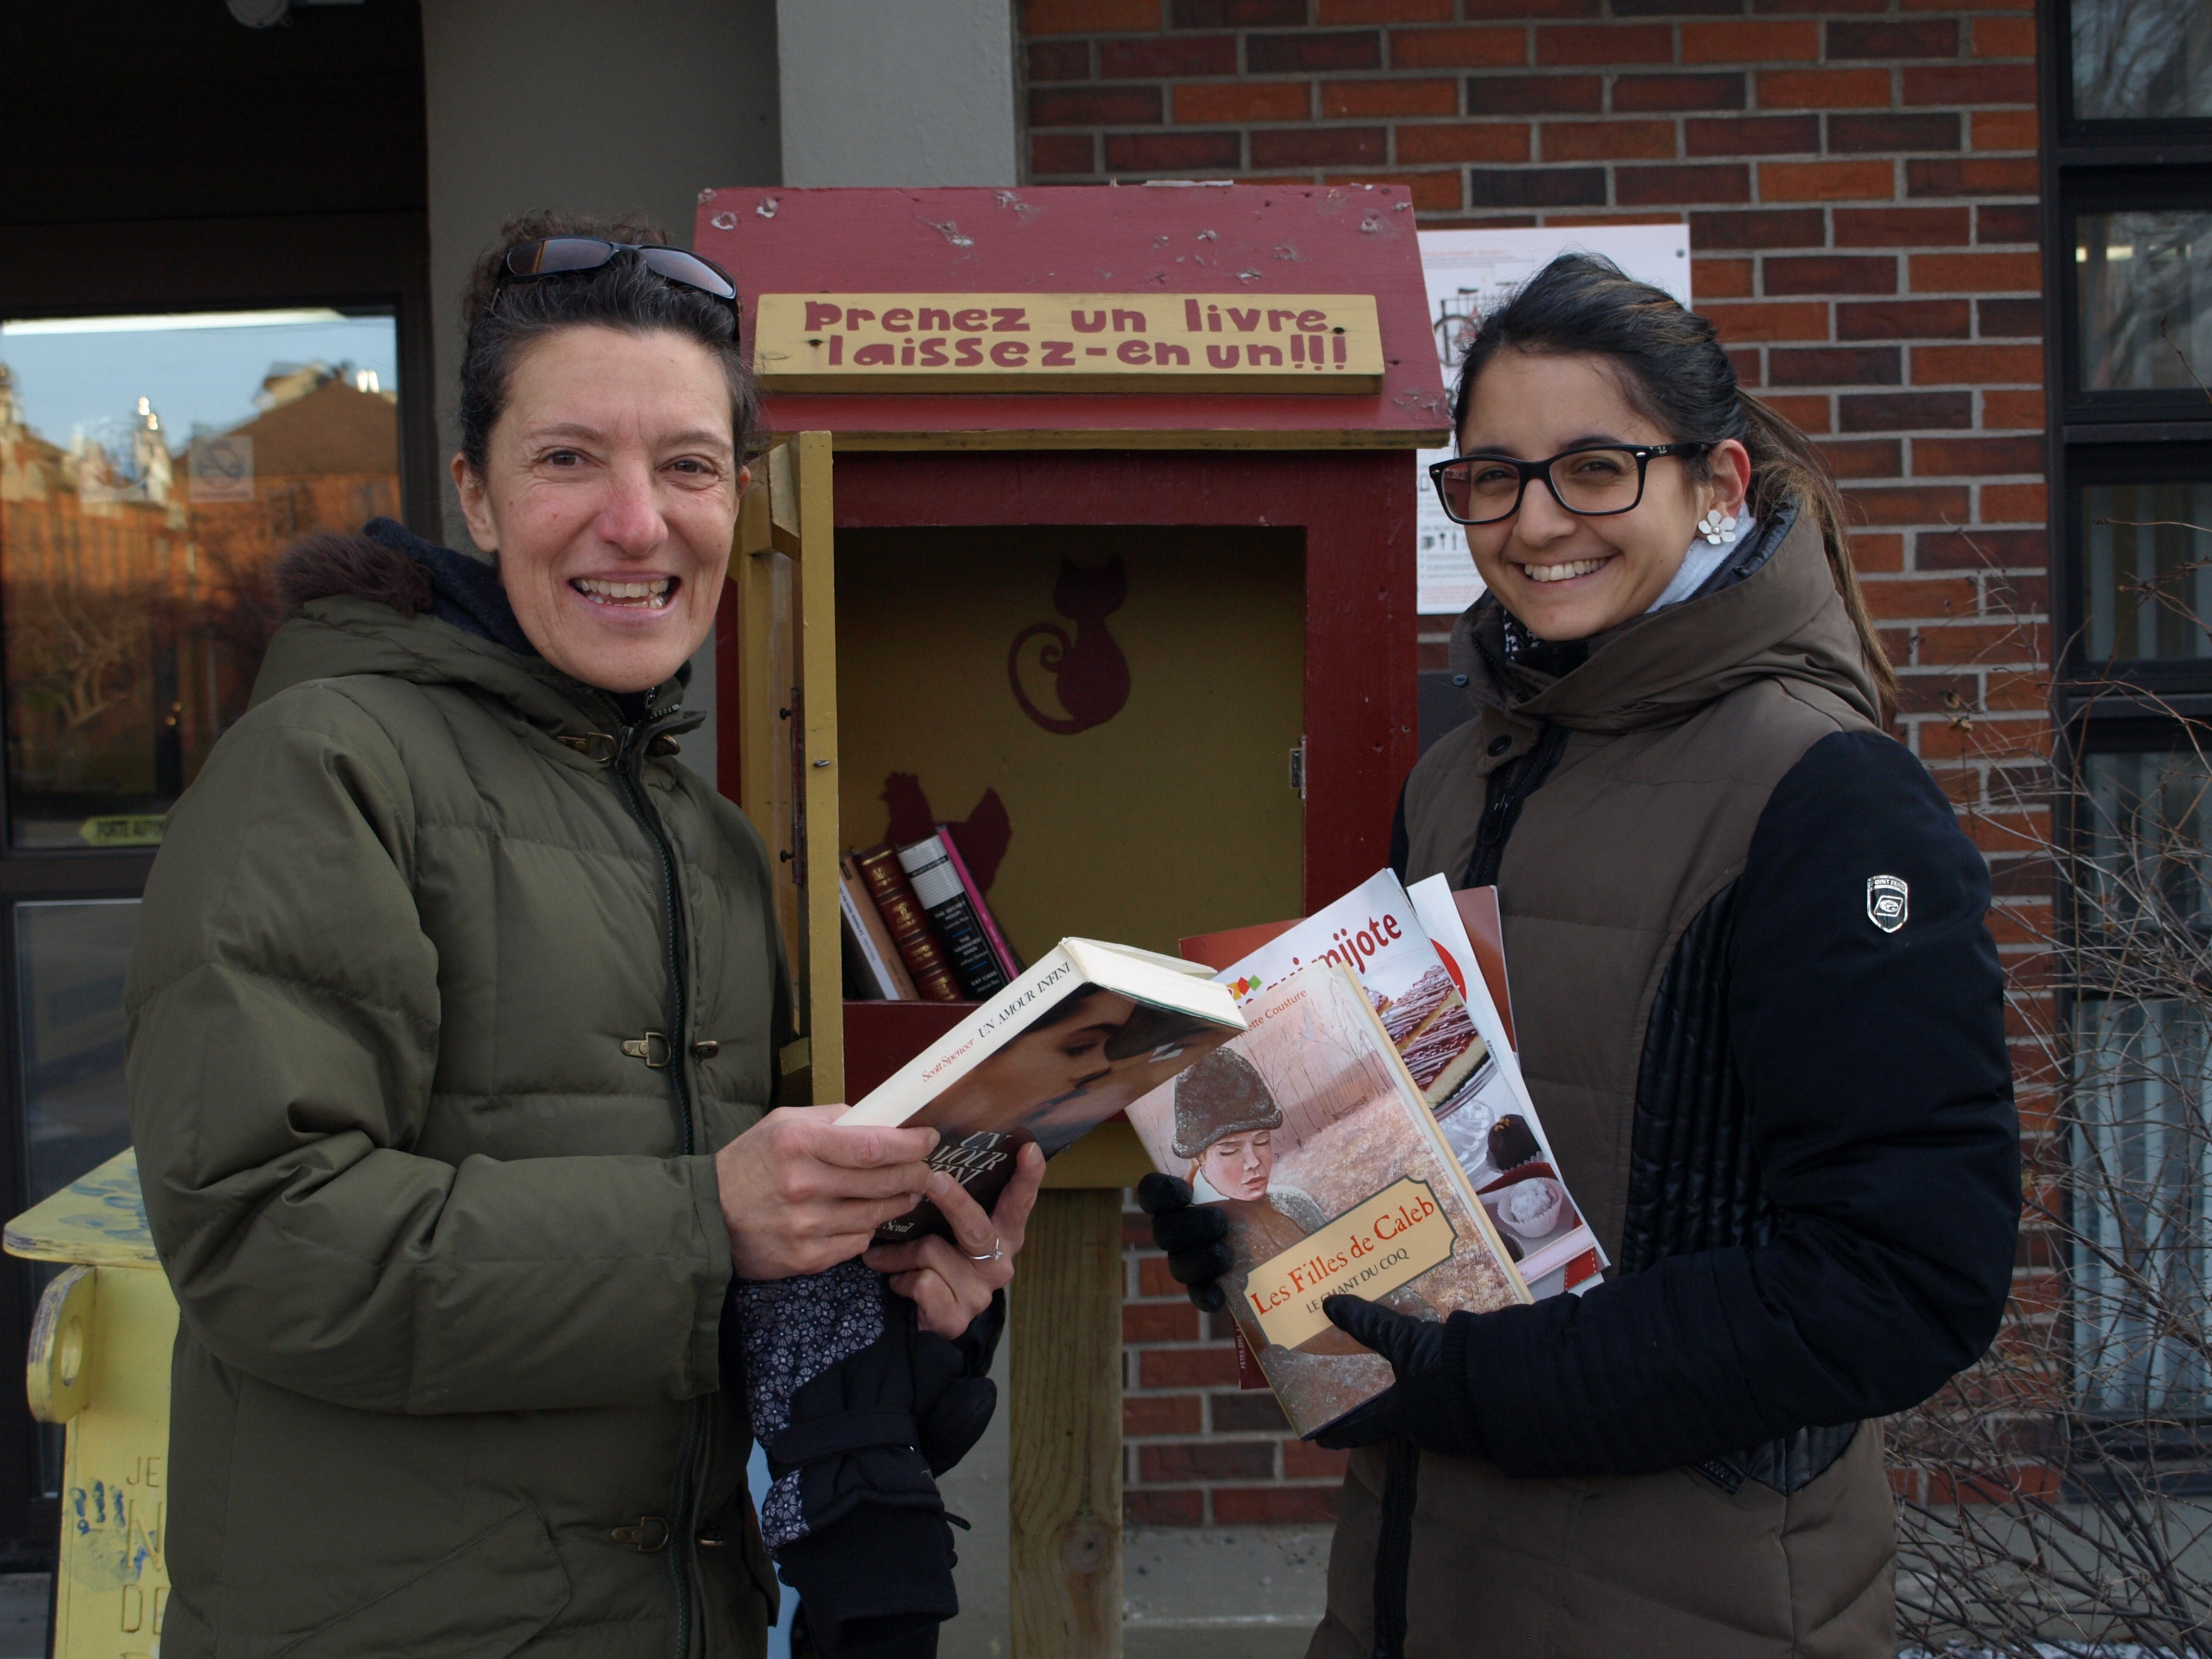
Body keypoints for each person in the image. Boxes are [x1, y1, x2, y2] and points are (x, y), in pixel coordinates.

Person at [124, 212, 1044, 1659]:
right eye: (569, 459)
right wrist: (707, 1224)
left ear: (738, 499)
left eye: (686, 466)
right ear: (475, 499)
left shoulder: (712, 838)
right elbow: (259, 1237)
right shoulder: (325, 765)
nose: (637, 522)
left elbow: (736, 1297)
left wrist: (913, 1309)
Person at [1144, 255, 2019, 1659]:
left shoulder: (1827, 794)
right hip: (1414, 1588)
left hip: (1695, 1603)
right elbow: (1434, 1165)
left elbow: (1907, 1277)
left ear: (1717, 482)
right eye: (1491, 477)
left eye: (1594, 469)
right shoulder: (1456, 778)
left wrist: (1486, 1384)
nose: (1536, 521)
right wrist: (1265, 1230)